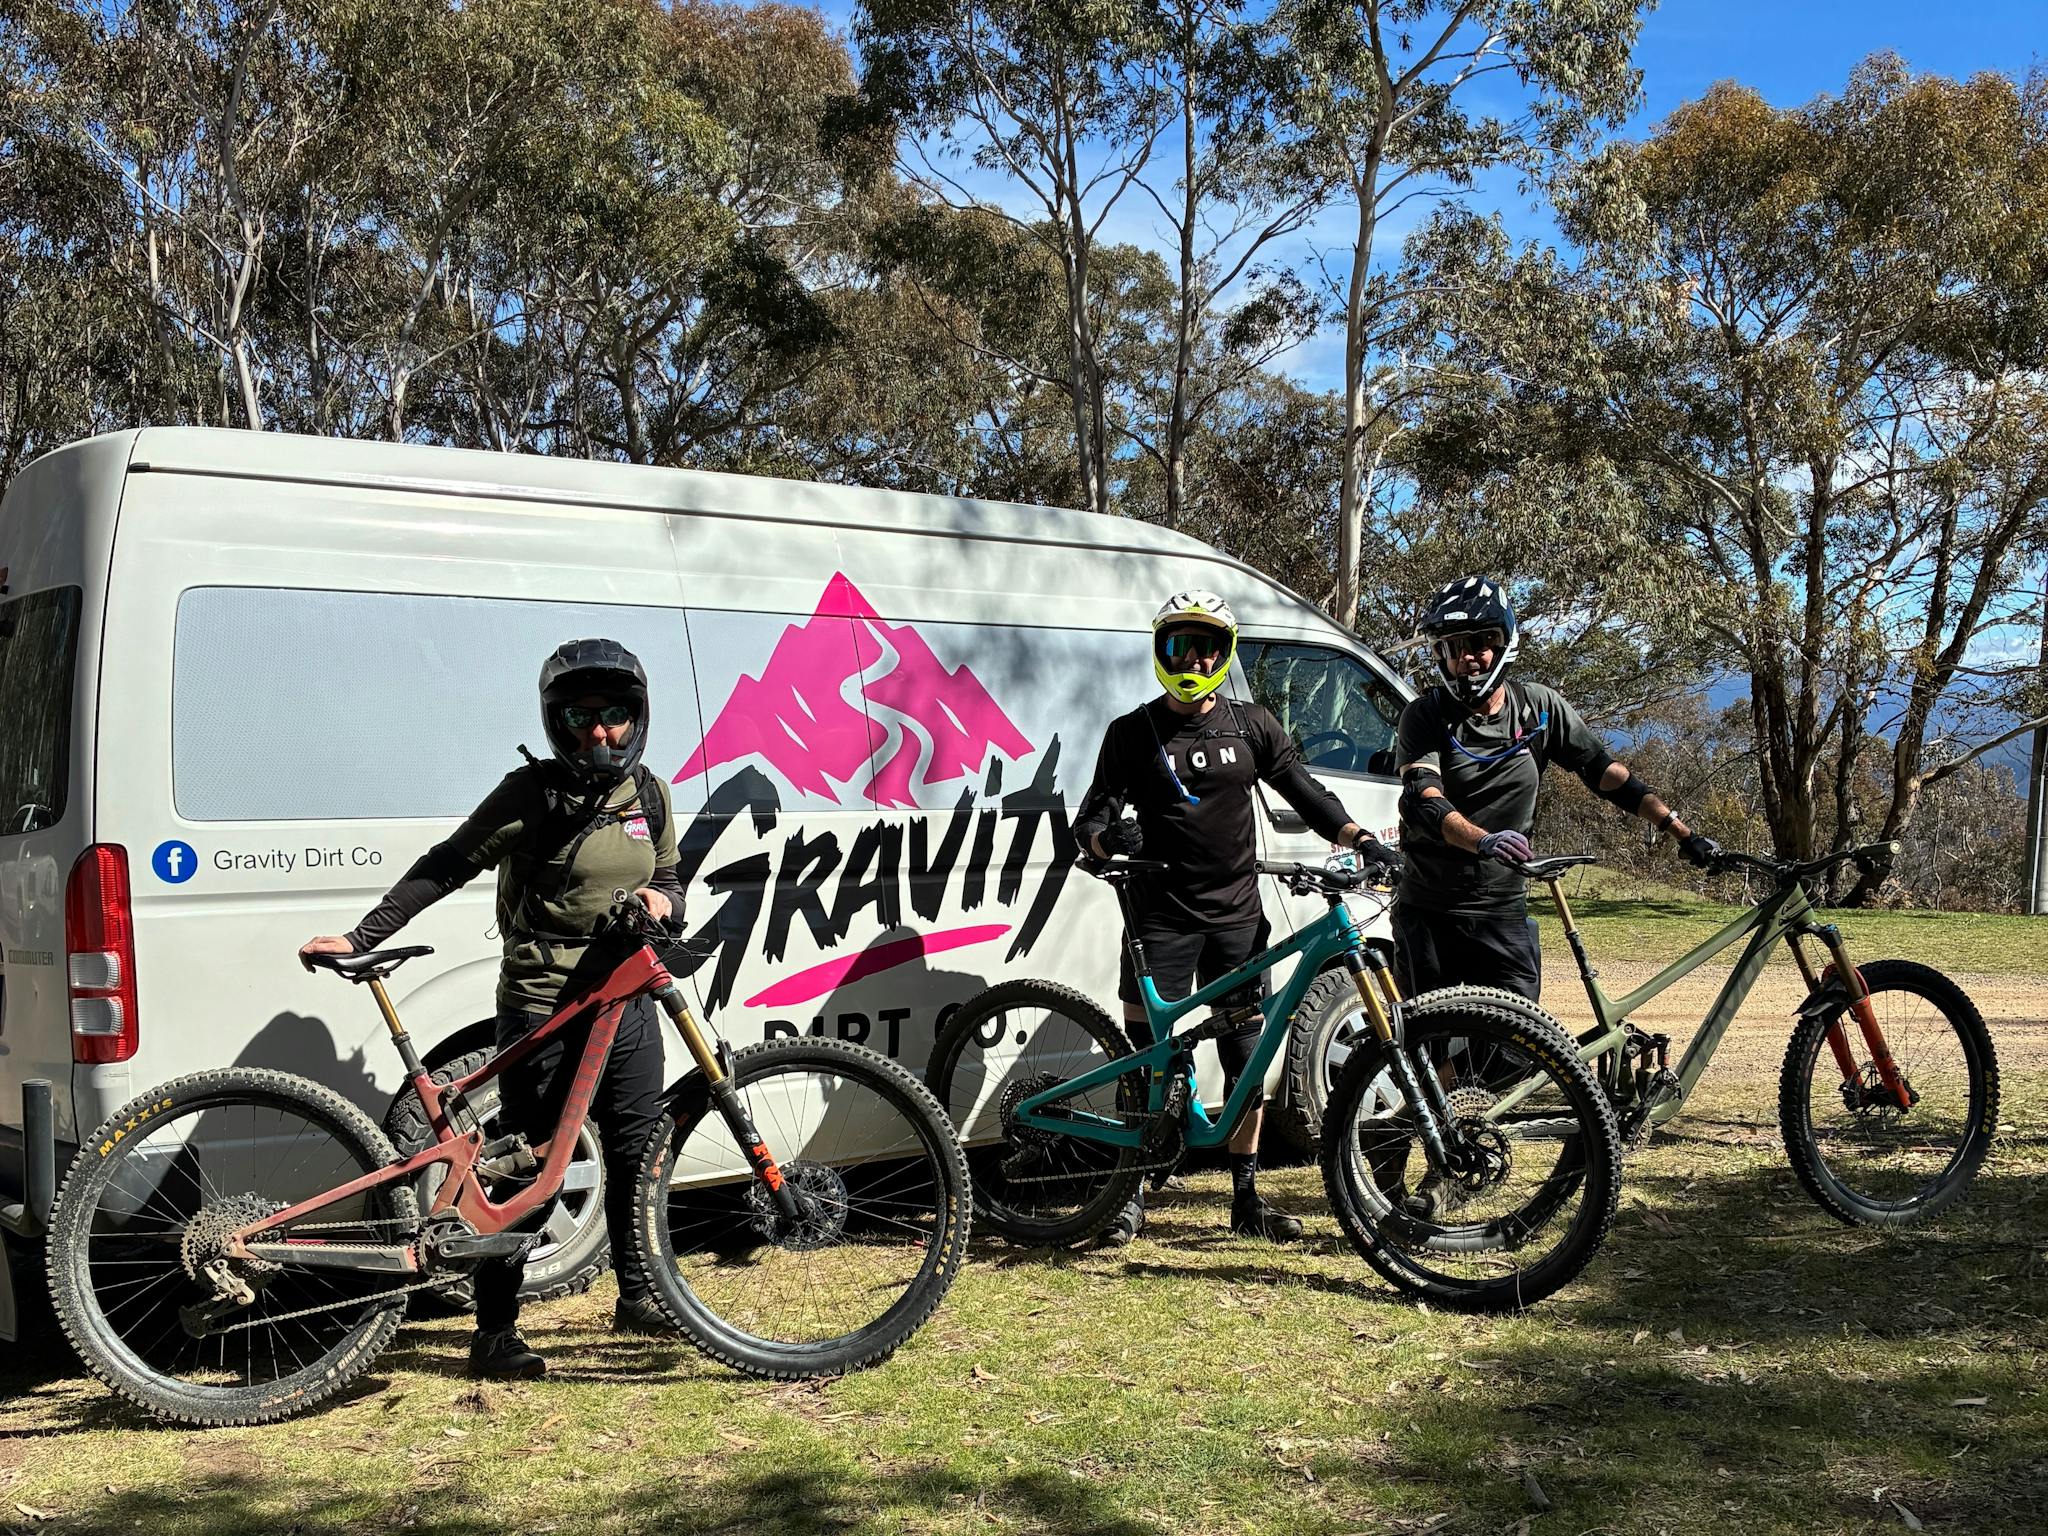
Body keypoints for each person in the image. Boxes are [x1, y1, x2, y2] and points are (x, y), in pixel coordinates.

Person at [299, 638, 685, 1380]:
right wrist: (362, 935)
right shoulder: (528, 794)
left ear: (635, 716)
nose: (597, 732)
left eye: (612, 716)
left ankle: (640, 1295)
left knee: (638, 1150)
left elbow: (670, 876)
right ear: (555, 720)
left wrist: (660, 901)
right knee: (528, 1159)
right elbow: (447, 864)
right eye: (578, 717)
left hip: (626, 1000)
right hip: (543, 1002)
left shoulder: (650, 794)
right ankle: (495, 1331)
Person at [1073, 590, 1398, 1246]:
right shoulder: (1132, 732)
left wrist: (1360, 837)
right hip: (1159, 920)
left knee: (1246, 1055)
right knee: (1144, 1061)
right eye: (1179, 646)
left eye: (1207, 648)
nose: (1192, 660)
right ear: (1160, 650)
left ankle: (1246, 1197)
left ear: (1224, 654)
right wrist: (1111, 841)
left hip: (1237, 921)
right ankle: (1129, 1195)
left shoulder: (1252, 725)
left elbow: (1306, 792)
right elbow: (1088, 824)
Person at [1393, 576, 1718, 1003]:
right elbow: (1424, 798)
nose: (1466, 657)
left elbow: (1604, 773)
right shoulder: (1425, 715)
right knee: (1430, 1040)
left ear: (1503, 643)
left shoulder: (1538, 709)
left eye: (1478, 643)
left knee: (1519, 1039)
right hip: (1430, 910)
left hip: (1502, 909)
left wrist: (1681, 832)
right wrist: (1484, 841)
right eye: (1452, 648)